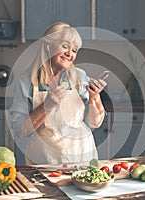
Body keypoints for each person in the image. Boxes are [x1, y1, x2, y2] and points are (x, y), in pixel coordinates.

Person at [9, 22, 107, 165]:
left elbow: (94, 122)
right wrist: (47, 106)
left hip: (81, 158)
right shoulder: (27, 82)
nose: (70, 54)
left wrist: (95, 97)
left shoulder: (79, 77)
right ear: (48, 46)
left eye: (74, 50)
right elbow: (21, 131)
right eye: (65, 46)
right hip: (43, 160)